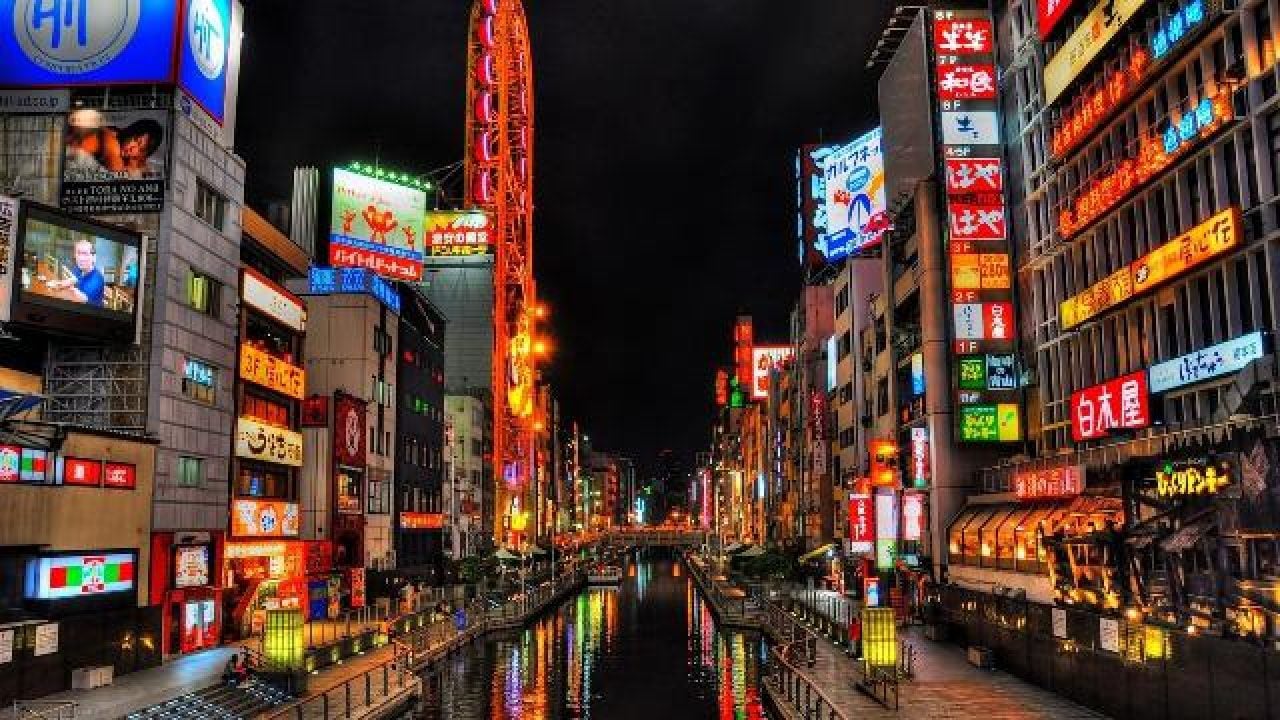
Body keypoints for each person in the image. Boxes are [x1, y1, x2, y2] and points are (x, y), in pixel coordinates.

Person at [45, 239, 105, 306]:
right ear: (75, 255)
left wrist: (68, 287)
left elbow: (83, 299)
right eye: (78, 253)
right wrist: (57, 284)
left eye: (85, 254)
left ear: (93, 257)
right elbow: (71, 281)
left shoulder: (97, 279)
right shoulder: (78, 269)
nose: (81, 258)